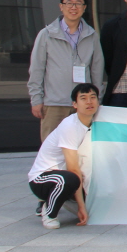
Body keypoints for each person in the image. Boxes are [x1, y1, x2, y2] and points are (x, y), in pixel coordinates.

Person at [28, 0, 105, 141]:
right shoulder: (46, 35)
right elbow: (37, 69)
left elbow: (97, 71)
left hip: (83, 104)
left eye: (78, 3)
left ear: (84, 7)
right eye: (69, 3)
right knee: (52, 148)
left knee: (82, 148)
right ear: (61, 6)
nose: (73, 7)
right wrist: (36, 100)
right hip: (54, 104)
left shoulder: (92, 36)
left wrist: (97, 100)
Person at [27, 83, 98, 229]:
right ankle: (49, 212)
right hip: (42, 179)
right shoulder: (70, 126)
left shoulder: (96, 120)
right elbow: (73, 169)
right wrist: (81, 207)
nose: (89, 102)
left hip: (66, 177)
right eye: (83, 98)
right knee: (70, 179)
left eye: (93, 97)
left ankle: (65, 200)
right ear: (75, 104)